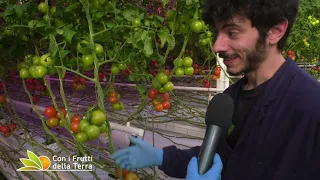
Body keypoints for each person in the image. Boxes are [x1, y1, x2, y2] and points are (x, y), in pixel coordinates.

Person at [112, 0, 320, 179]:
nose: (217, 46)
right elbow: (216, 159)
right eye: (217, 32)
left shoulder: (311, 105)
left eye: (232, 32)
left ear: (275, 31)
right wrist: (162, 157)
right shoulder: (228, 101)